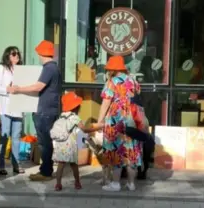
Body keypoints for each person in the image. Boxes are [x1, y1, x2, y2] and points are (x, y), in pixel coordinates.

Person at [7, 40, 61, 182]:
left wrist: (18, 89)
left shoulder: (49, 68)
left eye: (38, 53)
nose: (38, 56)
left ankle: (46, 172)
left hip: (45, 111)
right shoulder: (53, 68)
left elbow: (38, 87)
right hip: (48, 110)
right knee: (45, 142)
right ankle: (46, 170)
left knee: (44, 143)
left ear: (42, 53)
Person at [97, 55, 142, 191]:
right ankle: (131, 183)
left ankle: (115, 184)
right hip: (132, 120)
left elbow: (106, 103)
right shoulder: (133, 81)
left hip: (116, 121)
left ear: (112, 70)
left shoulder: (112, 82)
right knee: (131, 151)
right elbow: (138, 97)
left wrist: (100, 121)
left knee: (116, 152)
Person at [51, 92, 103, 191]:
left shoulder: (62, 116)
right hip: (70, 146)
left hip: (60, 144)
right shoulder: (75, 117)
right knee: (74, 166)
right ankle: (77, 183)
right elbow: (84, 129)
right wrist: (96, 128)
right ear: (76, 107)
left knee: (60, 165)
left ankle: (58, 184)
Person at [0, 46, 24, 175]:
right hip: (5, 107)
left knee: (16, 136)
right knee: (4, 135)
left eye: (18, 54)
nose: (17, 56)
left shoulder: (22, 70)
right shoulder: (2, 68)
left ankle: (16, 164)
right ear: (7, 56)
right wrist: (7, 89)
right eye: (13, 54)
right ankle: (1, 165)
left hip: (18, 107)